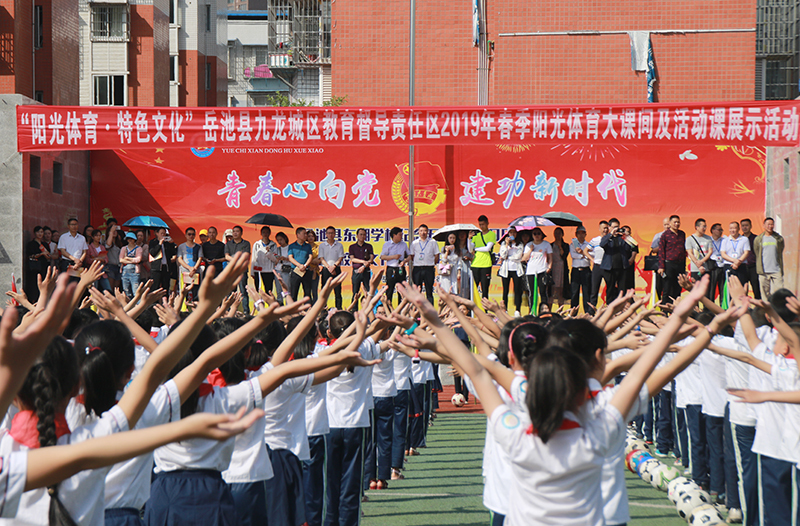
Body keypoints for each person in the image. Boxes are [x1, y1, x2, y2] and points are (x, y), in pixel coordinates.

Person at [521, 228, 552, 313]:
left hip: (542, 270)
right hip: (531, 271)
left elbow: (550, 258)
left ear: (542, 234)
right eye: (535, 234)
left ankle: (544, 311)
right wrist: (531, 249)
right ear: (532, 235)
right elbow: (524, 259)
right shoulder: (529, 245)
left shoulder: (546, 244)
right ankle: (532, 311)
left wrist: (549, 267)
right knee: (532, 293)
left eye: (538, 233)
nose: (537, 235)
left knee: (543, 292)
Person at [657, 215, 686, 304]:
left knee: (678, 287)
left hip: (680, 264)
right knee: (667, 287)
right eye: (675, 222)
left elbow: (684, 250)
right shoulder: (665, 235)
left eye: (678, 222)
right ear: (670, 223)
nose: (677, 224)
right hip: (669, 264)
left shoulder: (682, 234)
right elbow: (661, 251)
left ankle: (676, 308)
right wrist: (661, 266)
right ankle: (665, 309)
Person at [599, 218, 630, 303]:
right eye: (614, 227)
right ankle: (609, 307)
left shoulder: (622, 238)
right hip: (610, 268)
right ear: (609, 227)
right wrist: (611, 234)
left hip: (622, 267)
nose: (616, 229)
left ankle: (622, 308)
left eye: (617, 227)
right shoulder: (607, 238)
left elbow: (630, 247)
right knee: (610, 288)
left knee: (622, 289)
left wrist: (627, 236)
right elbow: (602, 244)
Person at [753, 217, 784, 299]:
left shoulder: (778, 238)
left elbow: (781, 249)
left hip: (776, 269)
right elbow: (756, 251)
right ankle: (767, 310)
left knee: (780, 291)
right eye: (768, 224)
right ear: (764, 225)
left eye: (772, 224)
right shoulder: (759, 239)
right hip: (763, 271)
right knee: (765, 294)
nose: (770, 226)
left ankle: (778, 309)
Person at [380, 227, 410, 306]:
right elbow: (382, 257)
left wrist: (404, 261)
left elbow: (410, 256)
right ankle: (388, 308)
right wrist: (393, 257)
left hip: (401, 268)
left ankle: (401, 309)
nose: (402, 236)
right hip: (391, 268)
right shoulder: (387, 245)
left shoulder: (403, 244)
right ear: (394, 235)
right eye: (400, 235)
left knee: (401, 290)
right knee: (389, 289)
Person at [498, 227, 524, 316]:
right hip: (506, 270)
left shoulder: (520, 244)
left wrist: (508, 257)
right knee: (505, 290)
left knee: (517, 290)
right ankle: (505, 310)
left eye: (514, 232)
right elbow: (503, 255)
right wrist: (506, 245)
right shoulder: (503, 244)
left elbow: (518, 256)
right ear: (508, 234)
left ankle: (517, 310)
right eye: (510, 233)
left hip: (516, 270)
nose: (512, 234)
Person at [410, 224, 439, 305]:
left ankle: (430, 312)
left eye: (425, 231)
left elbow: (437, 255)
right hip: (417, 269)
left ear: (428, 232)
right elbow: (412, 256)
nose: (423, 233)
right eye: (421, 231)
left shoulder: (433, 242)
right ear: (418, 232)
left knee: (429, 291)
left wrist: (432, 263)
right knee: (417, 290)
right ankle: (417, 310)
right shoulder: (414, 243)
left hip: (429, 268)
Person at [318, 226, 345, 309]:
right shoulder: (322, 245)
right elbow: (321, 258)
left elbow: (340, 257)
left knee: (338, 291)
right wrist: (329, 267)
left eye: (332, 233)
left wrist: (334, 266)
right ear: (326, 234)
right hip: (326, 269)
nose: (330, 235)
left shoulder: (339, 245)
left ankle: (338, 309)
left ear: (335, 234)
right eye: (329, 233)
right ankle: (323, 309)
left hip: (336, 268)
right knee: (325, 290)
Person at [348, 228, 374, 309]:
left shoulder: (369, 246)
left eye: (364, 234)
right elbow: (352, 259)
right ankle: (354, 311)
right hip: (356, 271)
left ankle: (370, 310)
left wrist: (364, 266)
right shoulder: (352, 247)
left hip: (366, 271)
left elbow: (371, 259)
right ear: (357, 236)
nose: (363, 236)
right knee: (355, 292)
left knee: (368, 292)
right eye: (361, 234)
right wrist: (363, 262)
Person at [471, 215, 496, 299]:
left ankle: (484, 310)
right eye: (480, 224)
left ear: (487, 223)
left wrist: (476, 248)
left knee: (485, 289)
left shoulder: (492, 234)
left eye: (483, 224)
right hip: (475, 264)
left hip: (486, 264)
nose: (481, 226)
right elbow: (470, 249)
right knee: (473, 289)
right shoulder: (476, 235)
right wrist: (469, 239)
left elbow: (487, 248)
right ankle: (470, 310)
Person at [251, 226, 279, 298]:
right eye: (264, 232)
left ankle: (269, 307)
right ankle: (260, 307)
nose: (265, 234)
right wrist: (252, 271)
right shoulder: (257, 244)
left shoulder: (273, 245)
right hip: (259, 270)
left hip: (269, 271)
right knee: (259, 290)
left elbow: (275, 260)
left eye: (267, 232)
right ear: (261, 233)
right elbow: (253, 258)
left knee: (268, 291)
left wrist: (269, 252)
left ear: (270, 233)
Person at [177, 227, 204, 299]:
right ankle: (183, 308)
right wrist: (189, 268)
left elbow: (200, 258)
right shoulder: (181, 246)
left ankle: (194, 308)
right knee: (184, 290)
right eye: (189, 234)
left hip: (196, 272)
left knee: (196, 291)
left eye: (193, 234)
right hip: (184, 272)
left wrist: (194, 269)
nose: (191, 236)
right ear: (185, 235)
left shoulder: (198, 247)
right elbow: (179, 259)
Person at [569, 226, 592, 313]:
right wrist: (584, 254)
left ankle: (587, 312)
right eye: (579, 233)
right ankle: (573, 313)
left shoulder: (589, 244)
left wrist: (582, 253)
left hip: (586, 270)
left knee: (587, 292)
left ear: (585, 234)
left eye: (583, 233)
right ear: (576, 234)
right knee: (574, 293)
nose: (581, 235)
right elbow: (573, 255)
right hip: (575, 270)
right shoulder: (572, 245)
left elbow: (591, 255)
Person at [720, 221, 750, 287]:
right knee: (729, 288)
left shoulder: (744, 239)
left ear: (738, 229)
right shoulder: (725, 240)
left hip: (741, 265)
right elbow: (723, 254)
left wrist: (738, 262)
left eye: (734, 228)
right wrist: (734, 261)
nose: (732, 230)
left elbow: (746, 252)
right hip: (729, 266)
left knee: (741, 287)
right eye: (731, 228)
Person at [288, 227, 314, 301]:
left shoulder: (308, 246)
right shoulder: (292, 246)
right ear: (298, 235)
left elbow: (310, 257)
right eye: (304, 234)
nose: (306, 235)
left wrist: (305, 265)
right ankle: (294, 311)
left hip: (306, 271)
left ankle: (308, 310)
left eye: (306, 234)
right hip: (295, 271)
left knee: (307, 293)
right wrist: (299, 265)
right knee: (293, 293)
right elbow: (290, 258)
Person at [149, 227, 177, 293]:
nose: (163, 235)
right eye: (161, 233)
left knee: (166, 286)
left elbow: (173, 253)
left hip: (166, 267)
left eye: (164, 233)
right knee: (155, 286)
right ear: (157, 233)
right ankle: (154, 302)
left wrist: (172, 244)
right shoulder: (153, 242)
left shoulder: (167, 243)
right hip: (156, 268)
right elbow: (153, 253)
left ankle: (165, 301)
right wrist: (159, 244)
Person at [25, 226, 49, 302]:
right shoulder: (31, 244)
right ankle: (33, 300)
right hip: (34, 268)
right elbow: (30, 255)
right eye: (38, 232)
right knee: (34, 284)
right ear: (35, 233)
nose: (40, 234)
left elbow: (48, 255)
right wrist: (41, 254)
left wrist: (46, 255)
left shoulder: (44, 244)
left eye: (41, 232)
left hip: (43, 266)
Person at [686, 218, 714, 285]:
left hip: (706, 268)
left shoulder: (708, 238)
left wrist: (702, 261)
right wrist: (698, 264)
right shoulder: (689, 239)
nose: (704, 228)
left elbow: (710, 251)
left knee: (706, 290)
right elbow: (690, 253)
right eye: (703, 226)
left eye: (705, 226)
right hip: (695, 269)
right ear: (697, 227)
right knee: (696, 289)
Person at [588, 221, 609, 308]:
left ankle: (610, 310)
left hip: (608, 267)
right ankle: (591, 311)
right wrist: (592, 259)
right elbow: (586, 251)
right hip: (597, 266)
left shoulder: (610, 239)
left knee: (610, 289)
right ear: (599, 229)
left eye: (606, 228)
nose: (605, 230)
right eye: (603, 228)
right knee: (594, 290)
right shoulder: (595, 240)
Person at [739, 219, 761, 300]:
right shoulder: (739, 239)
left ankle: (758, 308)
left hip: (753, 267)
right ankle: (744, 307)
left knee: (756, 288)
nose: (745, 227)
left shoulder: (756, 238)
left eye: (746, 225)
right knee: (743, 289)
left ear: (751, 226)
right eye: (743, 226)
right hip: (742, 267)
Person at [650, 217, 670, 301]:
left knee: (669, 286)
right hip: (660, 264)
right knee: (658, 286)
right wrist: (663, 246)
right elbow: (653, 250)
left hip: (671, 264)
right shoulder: (658, 235)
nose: (667, 226)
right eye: (665, 224)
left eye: (668, 224)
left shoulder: (676, 235)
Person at [550, 227, 570, 307]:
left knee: (561, 290)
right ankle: (549, 309)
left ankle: (560, 309)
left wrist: (560, 247)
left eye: (559, 233)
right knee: (551, 290)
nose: (557, 235)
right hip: (553, 269)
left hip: (562, 269)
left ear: (562, 235)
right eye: (556, 233)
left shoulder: (566, 245)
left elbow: (564, 256)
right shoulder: (550, 245)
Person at [119, 232, 143, 298]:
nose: (130, 240)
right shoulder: (124, 248)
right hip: (125, 271)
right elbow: (121, 260)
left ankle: (137, 306)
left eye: (131, 239)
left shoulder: (138, 248)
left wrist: (127, 258)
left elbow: (138, 259)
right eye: (128, 239)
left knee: (136, 290)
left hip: (135, 271)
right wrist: (132, 260)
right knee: (126, 291)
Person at [708, 223, 726, 304]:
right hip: (713, 266)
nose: (720, 232)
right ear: (713, 230)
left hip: (722, 266)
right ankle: (711, 308)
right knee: (712, 288)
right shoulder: (708, 240)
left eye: (721, 230)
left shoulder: (724, 241)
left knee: (723, 288)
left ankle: (723, 308)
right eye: (719, 230)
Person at [105, 220, 123, 293]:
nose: (114, 232)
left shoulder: (119, 243)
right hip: (110, 266)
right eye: (113, 231)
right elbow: (108, 245)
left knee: (117, 288)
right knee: (111, 287)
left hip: (118, 266)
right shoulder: (107, 241)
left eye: (115, 231)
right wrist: (111, 233)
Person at [275, 232, 293, 300]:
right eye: (278, 240)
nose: (280, 242)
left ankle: (288, 305)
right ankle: (280, 305)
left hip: (287, 270)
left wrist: (285, 259)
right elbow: (275, 261)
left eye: (281, 239)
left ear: (285, 238)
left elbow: (293, 259)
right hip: (278, 269)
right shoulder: (277, 249)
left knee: (287, 289)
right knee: (278, 290)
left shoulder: (290, 248)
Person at [305, 230, 321, 303]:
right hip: (306, 271)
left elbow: (320, 259)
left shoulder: (318, 247)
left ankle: (315, 308)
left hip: (315, 271)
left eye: (312, 236)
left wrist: (309, 261)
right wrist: (311, 261)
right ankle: (307, 308)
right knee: (307, 291)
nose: (311, 238)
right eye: (309, 236)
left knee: (314, 291)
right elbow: (303, 259)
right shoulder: (304, 247)